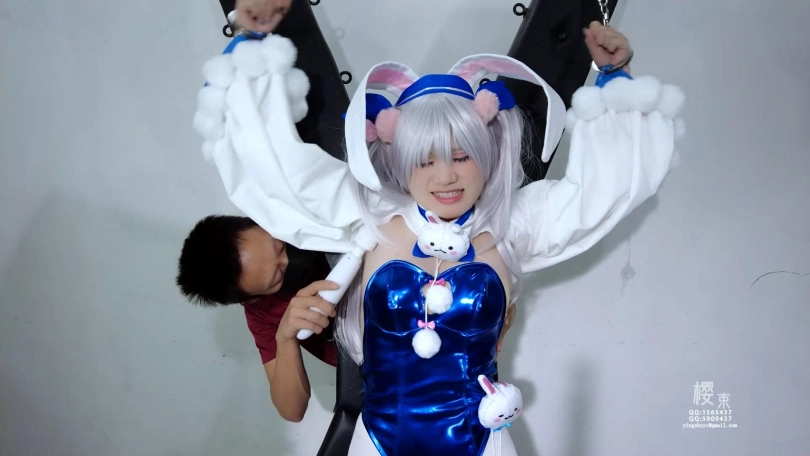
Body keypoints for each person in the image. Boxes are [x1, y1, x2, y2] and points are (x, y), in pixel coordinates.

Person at [195, 17, 685, 454]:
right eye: (425, 160)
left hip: (482, 442)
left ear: (486, 150)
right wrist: (252, 44)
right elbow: (279, 170)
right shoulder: (369, 216)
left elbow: (604, 192)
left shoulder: (514, 223)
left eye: (462, 155)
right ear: (401, 161)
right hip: (377, 442)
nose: (446, 176)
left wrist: (615, 75)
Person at [175, 215, 339, 422]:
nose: (288, 260)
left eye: (280, 246)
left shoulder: (294, 212)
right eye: (278, 276)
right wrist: (285, 339)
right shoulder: (262, 312)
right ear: (252, 299)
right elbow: (291, 410)